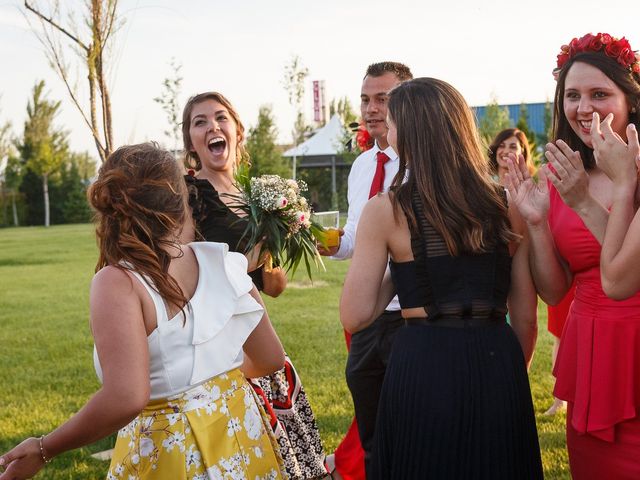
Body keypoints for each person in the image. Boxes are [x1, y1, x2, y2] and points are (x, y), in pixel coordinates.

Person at [0, 143, 287, 480]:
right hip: (242, 439)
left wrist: (45, 447)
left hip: (170, 454)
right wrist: (214, 388)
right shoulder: (225, 263)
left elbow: (127, 397)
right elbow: (270, 358)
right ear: (182, 202)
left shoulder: (119, 283)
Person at [341, 77, 542, 479]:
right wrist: (508, 371)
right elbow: (526, 313)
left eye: (393, 123)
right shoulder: (505, 202)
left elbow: (355, 315)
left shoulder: (386, 210)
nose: (388, 131)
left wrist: (404, 271)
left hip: (424, 358)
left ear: (410, 132)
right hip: (497, 356)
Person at [505, 32, 640, 479]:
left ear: (631, 102)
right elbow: (556, 288)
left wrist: (585, 200)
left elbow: (621, 277)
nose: (583, 107)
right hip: (589, 349)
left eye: (600, 94)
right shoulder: (564, 173)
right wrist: (538, 223)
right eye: (573, 94)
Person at [181, 91, 328, 480]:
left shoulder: (254, 196)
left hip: (257, 327)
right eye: (200, 122)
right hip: (219, 338)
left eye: (220, 117)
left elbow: (274, 286)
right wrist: (258, 244)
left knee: (291, 453)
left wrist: (282, 235)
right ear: (191, 142)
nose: (213, 126)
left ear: (237, 130)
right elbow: (195, 273)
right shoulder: (188, 193)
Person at [320, 61, 413, 480]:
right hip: (365, 318)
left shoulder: (421, 162)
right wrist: (336, 242)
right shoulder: (361, 166)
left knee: (408, 428)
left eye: (383, 99)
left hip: (412, 316)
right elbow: (359, 235)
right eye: (365, 99)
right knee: (370, 423)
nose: (372, 108)